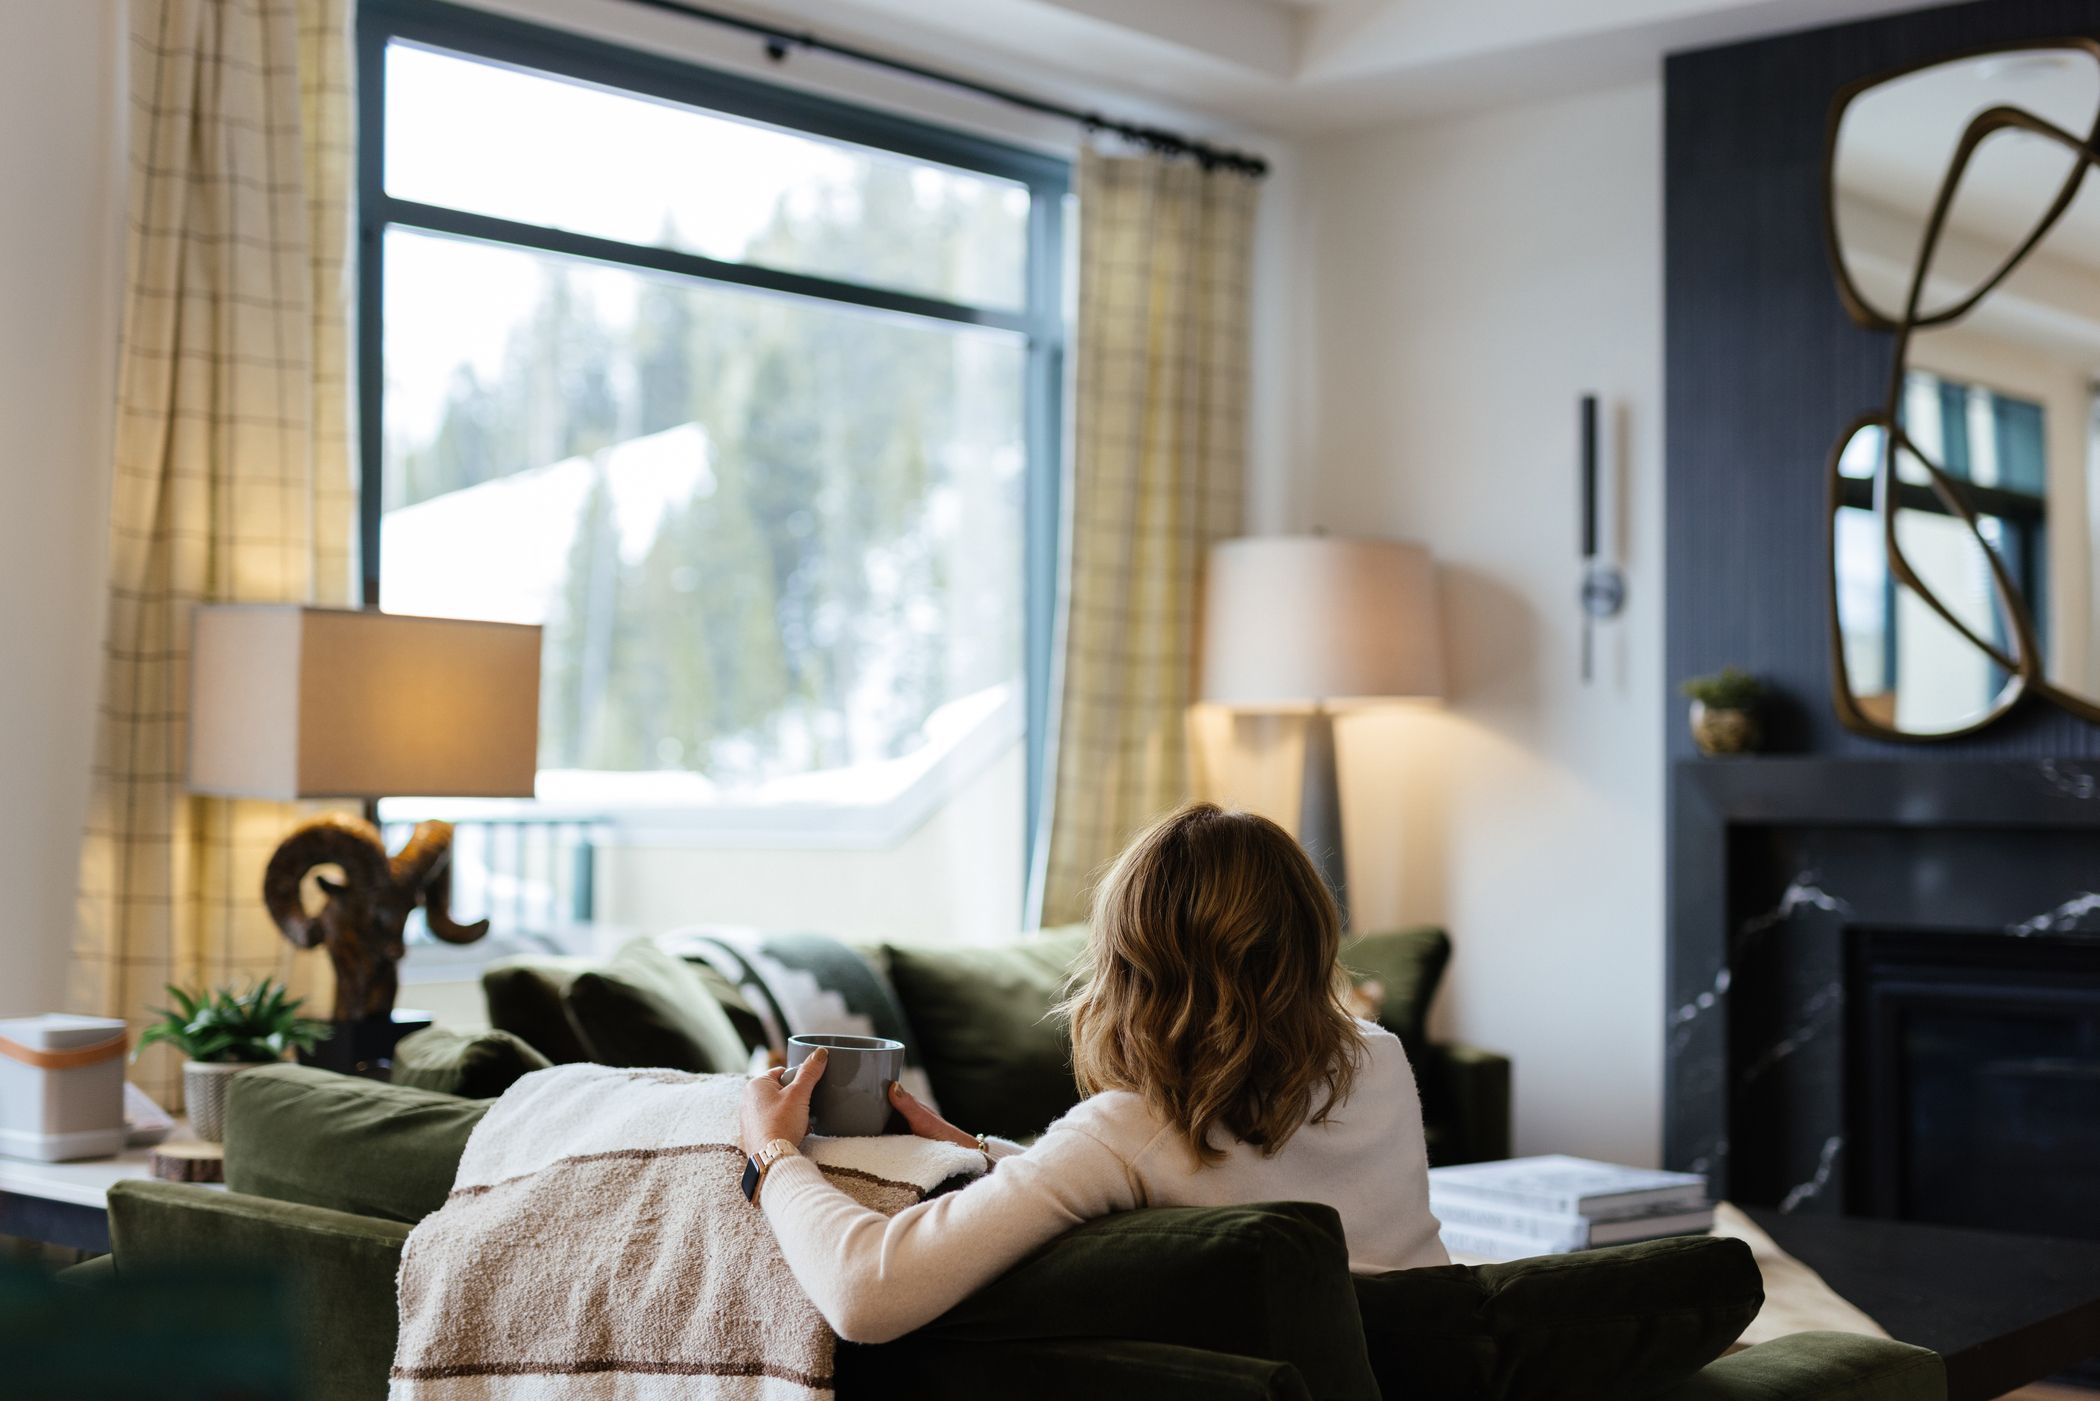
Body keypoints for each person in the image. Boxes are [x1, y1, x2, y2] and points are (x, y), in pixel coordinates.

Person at [738, 802, 1448, 1344]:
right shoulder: (1379, 1057)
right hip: (1425, 1369)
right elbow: (1201, 1200)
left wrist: (772, 1155)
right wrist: (984, 1153)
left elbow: (866, 1293)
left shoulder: (1132, 1129)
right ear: (1310, 934)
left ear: (1130, 968)